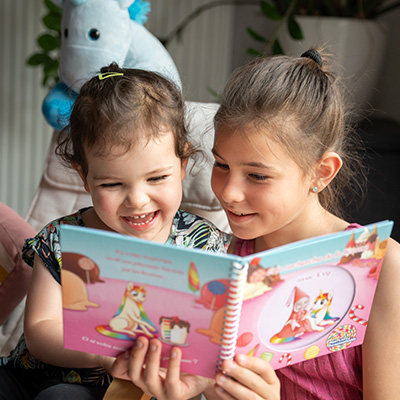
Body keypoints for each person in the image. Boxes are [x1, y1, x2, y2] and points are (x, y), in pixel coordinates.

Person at [114, 48, 400, 400]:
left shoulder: (383, 267)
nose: (229, 192)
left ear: (321, 172)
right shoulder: (223, 257)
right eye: (222, 166)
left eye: (257, 175)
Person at [0, 64, 229, 400]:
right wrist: (101, 355)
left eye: (156, 179)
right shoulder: (62, 240)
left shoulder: (205, 246)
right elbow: (39, 330)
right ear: (84, 176)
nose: (137, 200)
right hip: (33, 378)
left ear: (182, 164)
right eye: (111, 184)